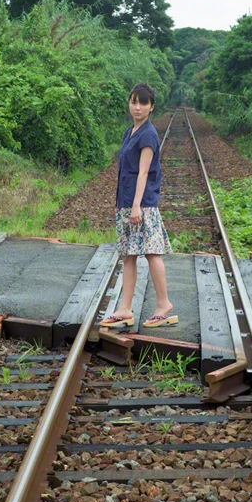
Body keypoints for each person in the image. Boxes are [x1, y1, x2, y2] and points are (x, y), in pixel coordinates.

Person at [100, 83, 176, 329]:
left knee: (152, 253)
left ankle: (163, 305)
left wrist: (136, 206)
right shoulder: (129, 132)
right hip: (126, 203)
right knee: (128, 255)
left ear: (151, 107)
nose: (137, 107)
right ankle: (124, 309)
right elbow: (124, 172)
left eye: (143, 103)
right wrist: (119, 204)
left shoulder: (149, 135)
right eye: (134, 102)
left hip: (142, 205)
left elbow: (143, 173)